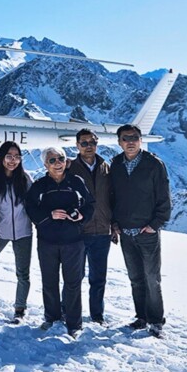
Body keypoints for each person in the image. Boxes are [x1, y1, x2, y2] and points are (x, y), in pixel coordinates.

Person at [24, 147, 95, 338]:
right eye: (52, 160)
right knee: (50, 280)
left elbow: (90, 204)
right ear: (45, 164)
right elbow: (30, 208)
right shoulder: (40, 185)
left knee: (72, 282)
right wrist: (49, 215)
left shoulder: (76, 182)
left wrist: (81, 216)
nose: (58, 163)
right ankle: (52, 317)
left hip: (73, 241)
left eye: (61, 159)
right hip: (47, 241)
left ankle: (74, 323)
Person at [109, 125, 172, 338]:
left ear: (140, 140)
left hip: (147, 233)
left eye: (134, 138)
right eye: (125, 138)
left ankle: (156, 321)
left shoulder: (154, 165)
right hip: (126, 232)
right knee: (136, 278)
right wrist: (114, 223)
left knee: (152, 277)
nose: (130, 142)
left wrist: (154, 225)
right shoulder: (116, 164)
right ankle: (141, 317)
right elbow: (113, 197)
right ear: (119, 142)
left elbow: (164, 199)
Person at [0, 141, 34, 324]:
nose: (13, 161)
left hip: (23, 232)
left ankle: (20, 309)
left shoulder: (25, 179)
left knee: (23, 273)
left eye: (17, 157)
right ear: (1, 157)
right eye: (9, 156)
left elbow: (34, 203)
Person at [67, 129, 115, 325]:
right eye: (84, 143)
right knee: (74, 277)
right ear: (77, 145)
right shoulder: (69, 168)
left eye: (92, 142)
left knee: (98, 278)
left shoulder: (106, 168)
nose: (89, 146)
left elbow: (113, 198)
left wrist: (115, 224)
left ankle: (97, 315)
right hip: (79, 232)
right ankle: (69, 312)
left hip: (103, 231)